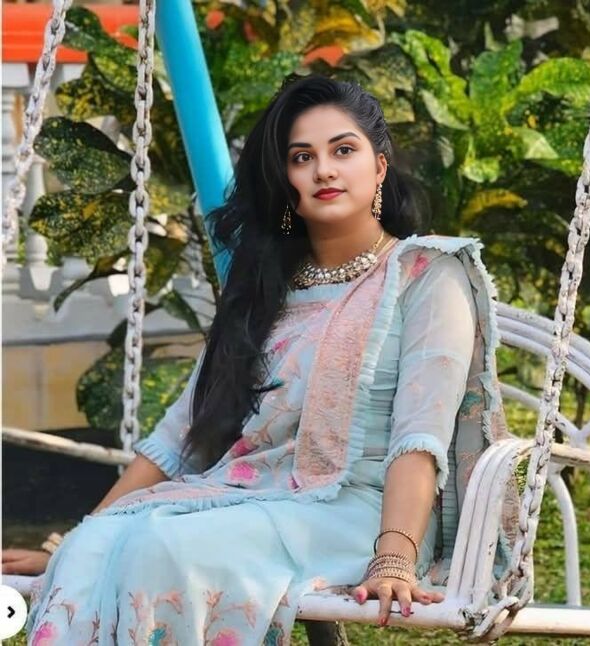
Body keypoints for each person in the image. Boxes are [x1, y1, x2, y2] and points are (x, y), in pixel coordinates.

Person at [3, 74, 513, 645]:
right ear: (284, 181)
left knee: (168, 545)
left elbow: (421, 433)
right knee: (99, 545)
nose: (324, 170)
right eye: (302, 157)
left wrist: (393, 557)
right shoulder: (267, 290)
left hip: (364, 512)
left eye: (343, 150)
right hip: (251, 499)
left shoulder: (427, 274)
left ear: (379, 166)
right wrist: (75, 541)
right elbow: (181, 433)